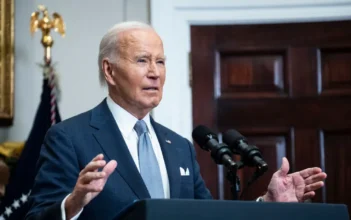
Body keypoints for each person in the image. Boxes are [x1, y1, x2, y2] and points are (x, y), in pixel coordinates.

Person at [25, 21, 327, 220]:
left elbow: (205, 217)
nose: (155, 72)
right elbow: (36, 217)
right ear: (110, 71)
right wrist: (73, 203)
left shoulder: (179, 146)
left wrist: (268, 205)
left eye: (160, 62)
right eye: (142, 60)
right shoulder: (69, 136)